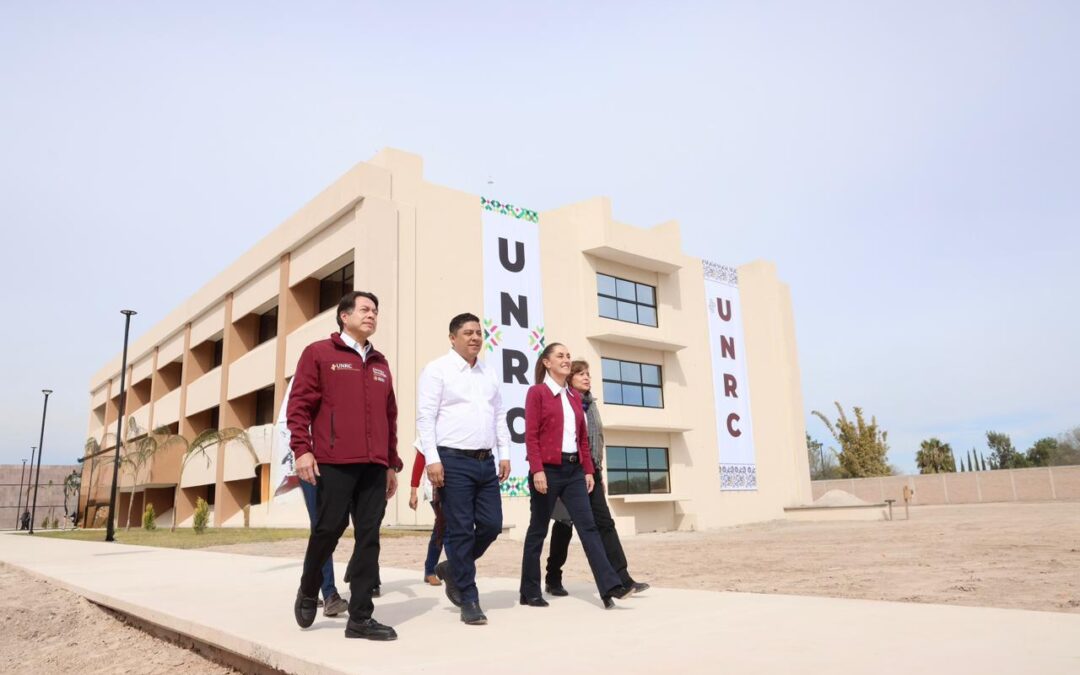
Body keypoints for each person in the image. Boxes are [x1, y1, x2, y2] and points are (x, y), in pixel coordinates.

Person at [289, 291, 402, 641]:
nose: (372, 315)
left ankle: (360, 619)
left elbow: (389, 416)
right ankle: (309, 588)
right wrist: (302, 450)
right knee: (328, 529)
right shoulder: (319, 354)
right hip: (334, 461)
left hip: (373, 465)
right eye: (365, 309)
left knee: (369, 538)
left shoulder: (380, 362)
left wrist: (390, 464)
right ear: (344, 316)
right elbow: (299, 406)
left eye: (376, 312)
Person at [520, 343, 635, 609]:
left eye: (568, 356)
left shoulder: (573, 397)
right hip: (547, 471)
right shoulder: (537, 393)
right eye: (560, 356)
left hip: (574, 472)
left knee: (589, 528)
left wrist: (587, 470)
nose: (566, 359)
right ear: (547, 363)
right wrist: (537, 469)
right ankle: (529, 590)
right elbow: (531, 435)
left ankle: (610, 587)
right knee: (538, 530)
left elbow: (582, 439)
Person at [416, 312, 511, 626]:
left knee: (491, 525)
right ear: (452, 337)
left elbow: (499, 416)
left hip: (486, 462)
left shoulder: (488, 373)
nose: (475, 338)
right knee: (458, 529)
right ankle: (469, 598)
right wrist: (432, 458)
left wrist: (505, 453)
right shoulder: (437, 370)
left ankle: (453, 568)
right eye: (468, 333)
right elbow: (425, 417)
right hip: (452, 461)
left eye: (478, 333)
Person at [544, 360, 649, 596]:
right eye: (580, 373)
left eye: (588, 374)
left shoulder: (591, 404)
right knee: (564, 525)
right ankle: (553, 578)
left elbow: (596, 440)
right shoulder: (566, 403)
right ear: (569, 379)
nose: (586, 377)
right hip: (569, 471)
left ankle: (622, 578)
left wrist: (596, 470)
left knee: (604, 523)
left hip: (591, 471)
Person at [276, 378, 348, 618]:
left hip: (339, 462)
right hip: (311, 463)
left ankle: (310, 584)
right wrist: (300, 456)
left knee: (333, 525)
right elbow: (289, 422)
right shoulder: (306, 376)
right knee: (322, 526)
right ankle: (328, 593)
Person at [408, 439, 446, 586]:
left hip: (455, 487)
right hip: (435, 489)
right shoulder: (428, 433)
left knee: (442, 528)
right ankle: (433, 570)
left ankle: (432, 569)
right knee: (444, 527)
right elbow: (419, 464)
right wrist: (413, 492)